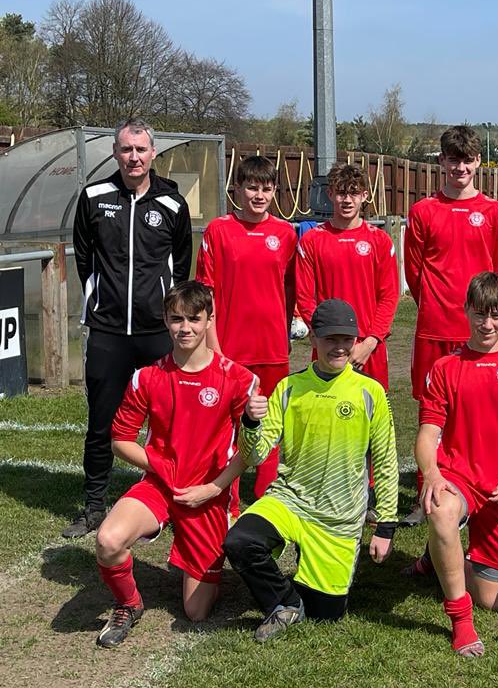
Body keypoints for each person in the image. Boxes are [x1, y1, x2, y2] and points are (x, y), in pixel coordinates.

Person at [223, 299, 399, 642]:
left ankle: (307, 580)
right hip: (290, 501)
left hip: (338, 518)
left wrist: (386, 526)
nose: (339, 347)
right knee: (240, 541)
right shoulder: (289, 388)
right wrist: (250, 423)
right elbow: (255, 455)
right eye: (330, 338)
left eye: (346, 339)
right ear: (313, 339)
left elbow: (386, 460)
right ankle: (286, 603)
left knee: (325, 614)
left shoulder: (371, 392)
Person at [94, 281, 257, 648]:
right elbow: (120, 440)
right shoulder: (147, 377)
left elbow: (250, 451)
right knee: (107, 540)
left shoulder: (238, 379)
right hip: (159, 485)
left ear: (209, 321)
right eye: (176, 319)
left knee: (196, 612)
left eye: (194, 319)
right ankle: (128, 604)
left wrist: (212, 488)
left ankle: (200, 558)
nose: (185, 328)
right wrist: (160, 466)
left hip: (208, 493)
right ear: (166, 321)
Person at [67, 118, 193, 538]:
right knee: (101, 421)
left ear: (153, 153)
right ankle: (94, 506)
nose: (133, 157)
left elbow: (181, 266)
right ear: (115, 153)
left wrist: (165, 309)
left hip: (156, 332)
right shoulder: (93, 197)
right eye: (126, 149)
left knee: (170, 423)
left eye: (140, 149)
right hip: (107, 332)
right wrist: (102, 298)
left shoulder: (172, 204)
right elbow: (84, 258)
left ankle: (172, 499)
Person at [411, 272, 498, 657]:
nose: (487, 324)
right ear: (466, 310)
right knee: (441, 510)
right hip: (458, 479)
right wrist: (432, 473)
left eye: (497, 315)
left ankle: (438, 555)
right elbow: (427, 433)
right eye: (480, 314)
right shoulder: (445, 367)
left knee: (491, 600)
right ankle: (461, 619)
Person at [403, 126, 498, 524]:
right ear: (442, 162)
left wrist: (482, 315)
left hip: (478, 330)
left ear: (478, 162)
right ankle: (426, 494)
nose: (460, 168)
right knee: (430, 413)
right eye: (453, 160)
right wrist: (436, 305)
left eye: (467, 160)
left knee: (478, 409)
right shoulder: (423, 211)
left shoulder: (494, 212)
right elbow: (414, 272)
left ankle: (478, 483)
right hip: (434, 327)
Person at [195, 155, 297, 508]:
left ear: (275, 191)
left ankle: (266, 502)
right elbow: (205, 292)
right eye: (252, 187)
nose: (259, 195)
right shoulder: (218, 230)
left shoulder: (285, 234)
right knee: (230, 426)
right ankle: (229, 503)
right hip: (229, 348)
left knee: (270, 423)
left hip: (272, 348)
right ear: (236, 188)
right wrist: (213, 347)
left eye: (266, 189)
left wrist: (287, 332)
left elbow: (290, 289)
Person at [296, 163, 399, 390]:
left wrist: (370, 342)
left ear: (364, 196)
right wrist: (323, 336)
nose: (347, 200)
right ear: (330, 194)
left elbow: (389, 296)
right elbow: (304, 297)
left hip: (369, 347)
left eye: (354, 193)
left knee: (371, 408)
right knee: (325, 407)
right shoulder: (312, 240)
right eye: (341, 193)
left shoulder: (379, 241)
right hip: (328, 344)